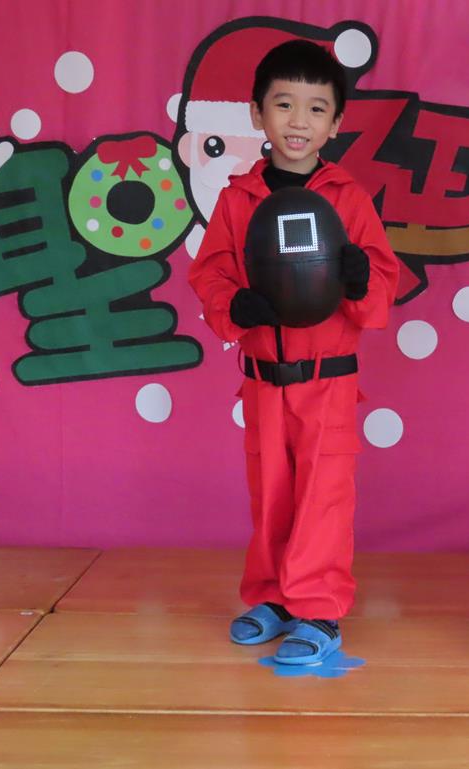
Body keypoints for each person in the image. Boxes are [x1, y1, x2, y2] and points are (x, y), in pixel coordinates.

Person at [189, 39, 399, 664]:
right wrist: (234, 306)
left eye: (315, 108)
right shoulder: (236, 199)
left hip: (328, 382)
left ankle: (319, 610)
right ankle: (274, 598)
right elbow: (210, 272)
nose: (298, 121)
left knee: (322, 497)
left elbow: (381, 285)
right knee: (272, 494)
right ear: (257, 113)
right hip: (262, 380)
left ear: (336, 123)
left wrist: (359, 278)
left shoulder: (348, 197)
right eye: (283, 104)